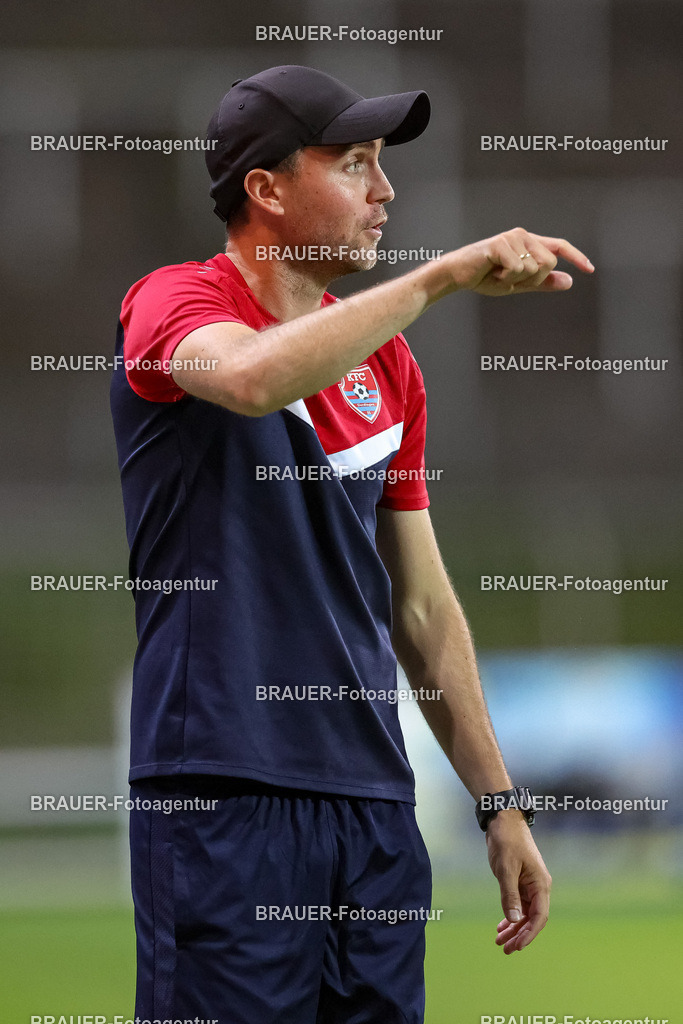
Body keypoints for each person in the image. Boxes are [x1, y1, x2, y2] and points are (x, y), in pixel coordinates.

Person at [110, 64, 594, 1024]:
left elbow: (420, 604)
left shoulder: (389, 366)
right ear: (267, 189)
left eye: (382, 165)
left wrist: (498, 804)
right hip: (222, 790)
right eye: (356, 164)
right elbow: (249, 380)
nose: (384, 192)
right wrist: (443, 276)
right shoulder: (172, 303)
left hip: (373, 803)